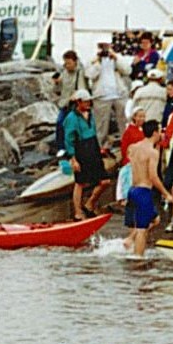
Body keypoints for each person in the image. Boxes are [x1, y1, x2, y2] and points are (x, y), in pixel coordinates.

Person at [124, 120, 173, 255]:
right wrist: (166, 193)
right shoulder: (152, 152)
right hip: (143, 191)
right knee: (142, 228)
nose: (161, 134)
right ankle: (138, 258)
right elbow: (153, 176)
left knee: (154, 219)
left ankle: (129, 240)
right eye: (160, 131)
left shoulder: (133, 148)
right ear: (155, 133)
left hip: (132, 190)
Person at [65, 89, 109, 220]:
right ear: (78, 102)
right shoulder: (71, 118)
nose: (88, 103)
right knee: (80, 182)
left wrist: (99, 148)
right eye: (85, 101)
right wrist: (73, 159)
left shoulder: (90, 114)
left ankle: (90, 203)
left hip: (93, 147)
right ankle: (78, 212)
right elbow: (69, 139)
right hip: (81, 149)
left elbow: (94, 132)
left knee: (105, 181)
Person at [88, 42, 131, 146]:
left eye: (107, 46)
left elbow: (127, 71)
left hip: (119, 94)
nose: (105, 49)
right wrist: (98, 62)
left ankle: (126, 145)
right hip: (101, 96)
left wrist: (116, 58)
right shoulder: (93, 59)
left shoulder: (118, 57)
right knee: (101, 126)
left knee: (124, 122)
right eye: (102, 47)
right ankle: (100, 147)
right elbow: (90, 74)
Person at [51, 50, 91, 155]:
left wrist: (75, 96)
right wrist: (56, 83)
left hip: (75, 104)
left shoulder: (80, 72)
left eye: (69, 63)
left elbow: (82, 90)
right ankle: (61, 147)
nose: (67, 65)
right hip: (64, 104)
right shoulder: (64, 72)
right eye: (65, 63)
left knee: (74, 127)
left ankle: (76, 148)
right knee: (60, 123)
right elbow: (58, 90)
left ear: (75, 62)